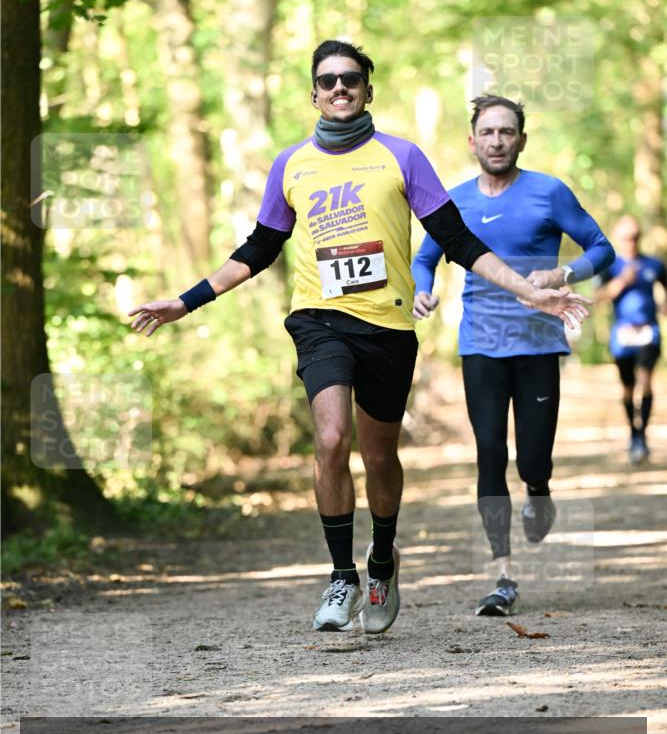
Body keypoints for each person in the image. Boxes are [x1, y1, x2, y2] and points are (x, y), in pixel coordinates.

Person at [130, 49, 589, 635]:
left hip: (388, 327)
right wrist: (184, 301)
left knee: (378, 457)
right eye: (328, 81)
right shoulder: (291, 164)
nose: (340, 88)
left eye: (351, 79)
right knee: (330, 437)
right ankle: (341, 576)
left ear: (367, 90)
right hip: (319, 321)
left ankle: (382, 560)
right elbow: (260, 247)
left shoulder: (401, 157)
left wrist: (530, 290)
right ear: (314, 94)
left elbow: (459, 240)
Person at [412, 94, 614, 618]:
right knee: (488, 454)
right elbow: (425, 256)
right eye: (488, 132)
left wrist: (563, 274)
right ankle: (503, 575)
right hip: (481, 344)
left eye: (507, 132)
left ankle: (539, 489)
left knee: (532, 459)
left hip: (539, 344)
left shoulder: (549, 192)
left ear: (521, 140)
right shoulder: (452, 201)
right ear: (472, 140)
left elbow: (601, 247)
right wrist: (422, 289)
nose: (497, 141)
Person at [595, 215, 666, 464]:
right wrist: (622, 282)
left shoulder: (654, 264)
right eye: (627, 237)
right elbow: (598, 296)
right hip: (622, 335)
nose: (632, 242)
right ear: (618, 238)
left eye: (635, 237)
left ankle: (642, 436)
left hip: (649, 332)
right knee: (627, 387)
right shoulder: (610, 266)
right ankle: (633, 433)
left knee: (646, 382)